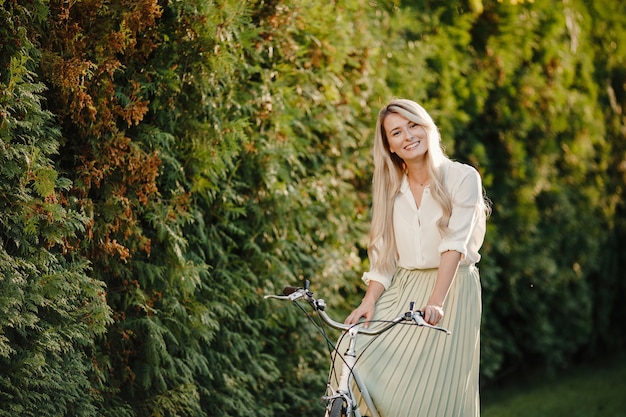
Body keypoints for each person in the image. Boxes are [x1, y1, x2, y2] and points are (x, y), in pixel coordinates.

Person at [331, 98, 489, 417]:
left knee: (431, 397)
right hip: (404, 287)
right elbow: (384, 256)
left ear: (427, 126)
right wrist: (368, 301)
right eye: (397, 132)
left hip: (451, 288)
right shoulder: (391, 188)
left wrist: (437, 301)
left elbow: (455, 246)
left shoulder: (462, 177)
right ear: (389, 145)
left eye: (413, 125)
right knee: (349, 354)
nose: (408, 136)